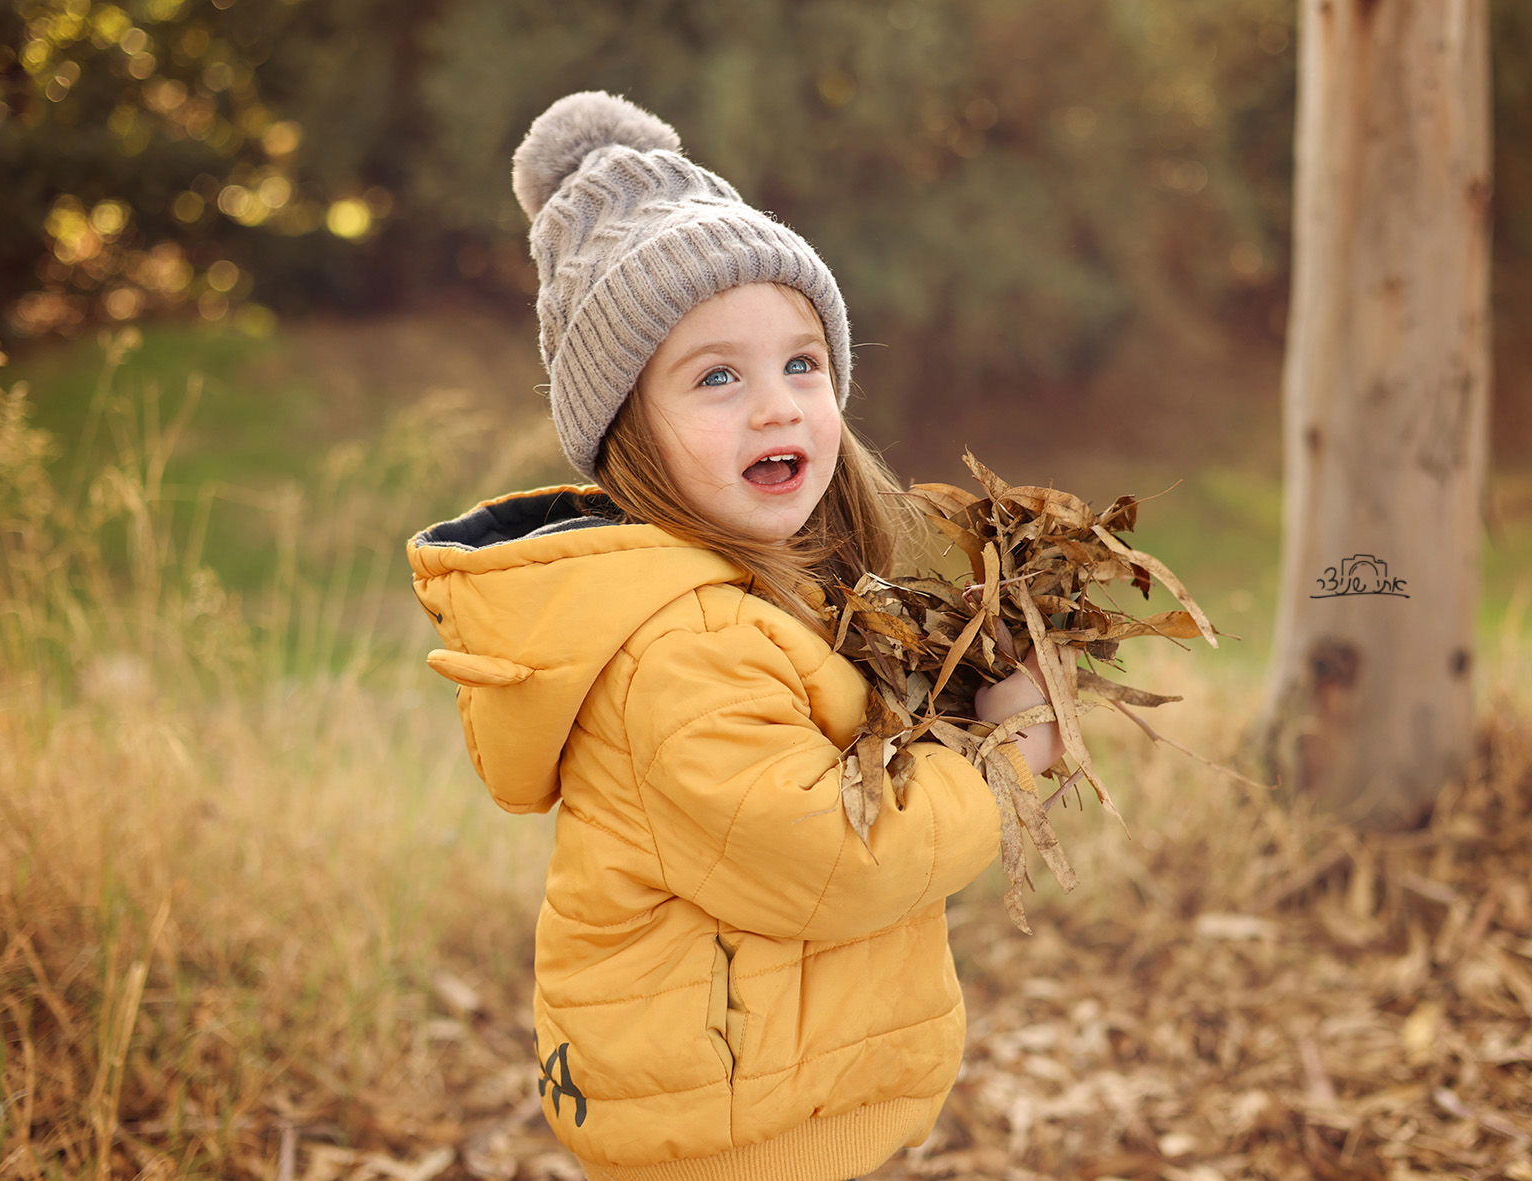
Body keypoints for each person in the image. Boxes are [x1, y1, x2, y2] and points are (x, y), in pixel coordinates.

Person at [407, 91, 1062, 1181]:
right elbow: (838, 859)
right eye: (716, 376)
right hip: (724, 1134)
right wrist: (1002, 763)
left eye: (800, 364)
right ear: (628, 435)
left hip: (763, 1100)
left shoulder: (767, 595)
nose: (775, 405)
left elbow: (837, 756)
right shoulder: (681, 648)